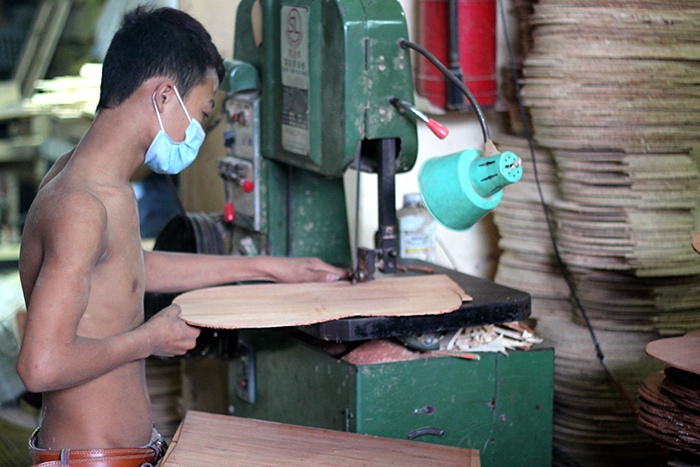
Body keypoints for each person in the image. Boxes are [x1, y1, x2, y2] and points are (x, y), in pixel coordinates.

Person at [16, 7, 347, 466]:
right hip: (92, 459)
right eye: (202, 113)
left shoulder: (91, 179)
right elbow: (40, 366)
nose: (198, 131)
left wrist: (269, 267)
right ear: (164, 95)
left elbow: (127, 271)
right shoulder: (81, 204)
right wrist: (150, 338)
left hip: (123, 452)